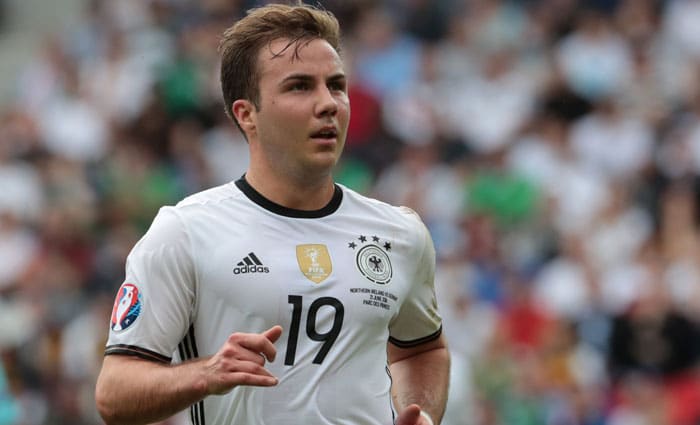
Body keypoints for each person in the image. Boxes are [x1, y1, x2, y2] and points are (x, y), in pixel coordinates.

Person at [94, 2, 450, 424]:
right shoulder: (186, 231)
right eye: (300, 86)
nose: (328, 104)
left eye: (336, 86)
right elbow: (115, 392)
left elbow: (423, 348)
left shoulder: (400, 234)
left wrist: (420, 413)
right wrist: (206, 374)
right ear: (247, 115)